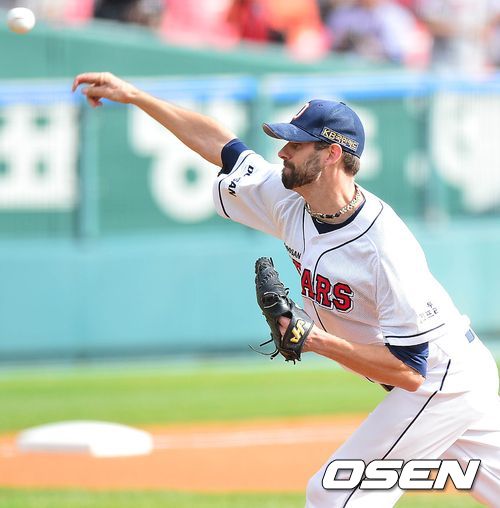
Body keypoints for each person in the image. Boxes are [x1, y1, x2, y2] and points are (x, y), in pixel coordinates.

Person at [72, 72, 500, 507]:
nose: (282, 152)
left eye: (296, 144)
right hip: (452, 377)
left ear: (332, 154)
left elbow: (410, 370)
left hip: (440, 381)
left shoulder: (384, 247)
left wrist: (314, 340)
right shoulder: (288, 196)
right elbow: (223, 147)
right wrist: (137, 96)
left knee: (334, 493)